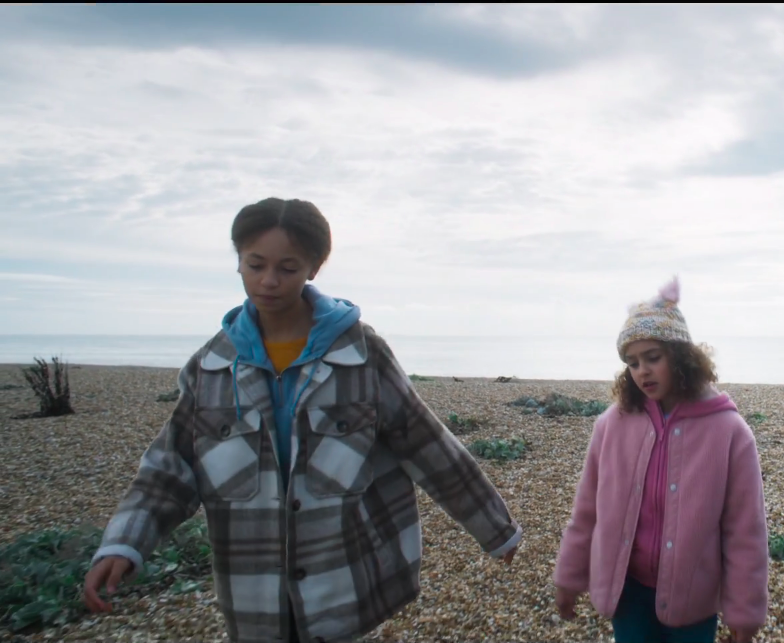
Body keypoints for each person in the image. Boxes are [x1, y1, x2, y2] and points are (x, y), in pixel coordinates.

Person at [82, 198, 523, 643]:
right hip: (250, 591)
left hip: (345, 580)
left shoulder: (360, 355)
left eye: (287, 268)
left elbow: (427, 443)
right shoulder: (211, 367)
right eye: (255, 265)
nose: (268, 281)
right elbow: (168, 468)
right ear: (238, 262)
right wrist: (125, 542)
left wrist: (495, 530)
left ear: (314, 268)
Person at [553, 278, 770, 643]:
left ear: (682, 356)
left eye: (653, 357)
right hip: (628, 592)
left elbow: (745, 531)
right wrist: (569, 577)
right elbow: (587, 510)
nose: (642, 371)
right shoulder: (612, 425)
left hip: (694, 602)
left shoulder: (730, 432)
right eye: (633, 362)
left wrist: (744, 613)